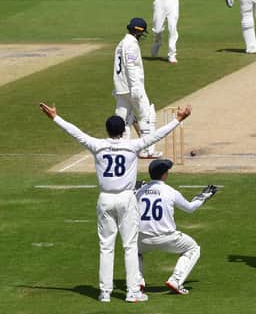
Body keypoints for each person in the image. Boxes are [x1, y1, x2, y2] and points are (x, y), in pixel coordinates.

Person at [38, 102, 192, 302]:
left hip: (105, 199)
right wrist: (177, 120)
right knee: (129, 246)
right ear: (124, 131)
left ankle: (105, 292)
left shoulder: (97, 145)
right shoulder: (132, 145)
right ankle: (132, 292)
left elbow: (75, 133)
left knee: (106, 246)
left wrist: (55, 117)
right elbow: (157, 136)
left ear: (107, 131)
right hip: (126, 198)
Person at [136, 159, 217, 295]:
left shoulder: (139, 192)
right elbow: (190, 208)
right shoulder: (170, 192)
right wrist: (202, 197)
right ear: (164, 174)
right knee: (193, 248)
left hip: (143, 239)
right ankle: (176, 279)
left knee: (134, 251)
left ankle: (137, 281)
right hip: (167, 238)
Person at [113, 17, 163, 158]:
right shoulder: (131, 45)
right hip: (133, 88)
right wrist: (135, 87)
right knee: (147, 117)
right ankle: (147, 150)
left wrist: (117, 87)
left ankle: (120, 150)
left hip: (121, 88)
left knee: (123, 120)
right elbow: (130, 66)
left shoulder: (121, 43)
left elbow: (118, 68)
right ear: (138, 32)